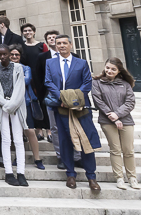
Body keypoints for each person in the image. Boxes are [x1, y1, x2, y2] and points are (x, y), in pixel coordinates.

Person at [44, 35, 102, 191]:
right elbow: (48, 82)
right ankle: (70, 174)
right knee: (65, 140)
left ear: (70, 45)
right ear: (55, 46)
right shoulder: (50, 63)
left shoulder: (81, 63)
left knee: (86, 141)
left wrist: (72, 99)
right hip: (60, 106)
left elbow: (87, 84)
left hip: (80, 108)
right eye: (58, 43)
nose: (61, 46)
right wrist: (62, 98)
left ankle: (92, 177)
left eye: (64, 43)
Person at [91, 58, 139, 190]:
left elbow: (130, 102)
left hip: (126, 120)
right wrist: (113, 117)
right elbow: (98, 101)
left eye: (113, 69)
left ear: (119, 71)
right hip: (107, 121)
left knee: (128, 150)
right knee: (115, 149)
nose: (109, 71)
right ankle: (119, 178)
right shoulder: (97, 82)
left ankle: (132, 177)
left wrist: (118, 115)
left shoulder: (125, 84)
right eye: (107, 68)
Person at [0, 44, 29, 187]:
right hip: (1, 107)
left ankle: (21, 172)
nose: (2, 57)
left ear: (10, 54)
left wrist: (12, 105)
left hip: (16, 107)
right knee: (6, 139)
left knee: (18, 139)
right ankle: (9, 172)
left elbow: (20, 88)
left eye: (5, 54)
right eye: (0, 54)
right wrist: (5, 104)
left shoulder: (18, 68)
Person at [8, 46, 43, 169]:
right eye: (12, 54)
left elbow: (26, 81)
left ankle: (37, 158)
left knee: (30, 131)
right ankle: (19, 156)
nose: (14, 57)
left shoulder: (25, 68)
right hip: (10, 103)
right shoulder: (3, 68)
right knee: (15, 132)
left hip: (25, 102)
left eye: (17, 54)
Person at [20, 23, 50, 138]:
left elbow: (46, 61)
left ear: (34, 32)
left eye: (29, 30)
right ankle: (39, 130)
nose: (28, 33)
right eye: (25, 31)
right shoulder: (22, 46)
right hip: (28, 79)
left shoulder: (42, 45)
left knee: (44, 103)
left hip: (41, 77)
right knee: (34, 103)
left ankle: (48, 130)